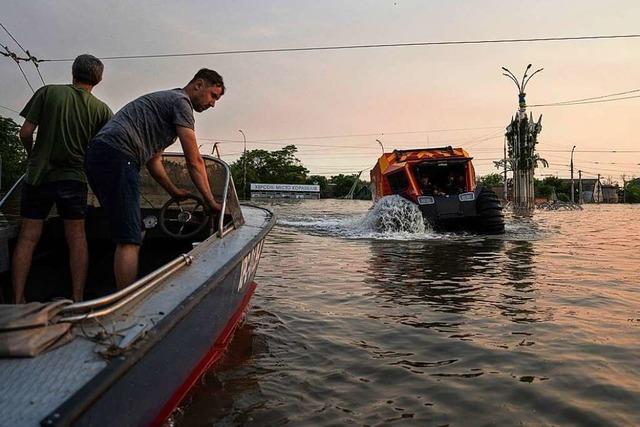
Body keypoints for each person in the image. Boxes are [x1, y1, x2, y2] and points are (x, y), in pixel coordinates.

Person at [85, 68, 224, 289]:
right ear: (198, 85)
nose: (213, 104)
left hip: (101, 156)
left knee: (133, 228)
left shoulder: (167, 104)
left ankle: (120, 289)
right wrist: (210, 201)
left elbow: (153, 160)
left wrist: (173, 191)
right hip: (118, 156)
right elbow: (194, 160)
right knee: (129, 238)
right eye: (213, 96)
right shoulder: (181, 103)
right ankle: (127, 304)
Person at [13, 54, 113, 303]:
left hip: (38, 177)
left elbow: (25, 132)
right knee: (77, 238)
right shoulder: (102, 110)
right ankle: (77, 299)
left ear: (73, 72)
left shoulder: (48, 92)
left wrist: (32, 155)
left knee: (27, 238)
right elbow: (105, 149)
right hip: (74, 179)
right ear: (98, 80)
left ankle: (17, 300)